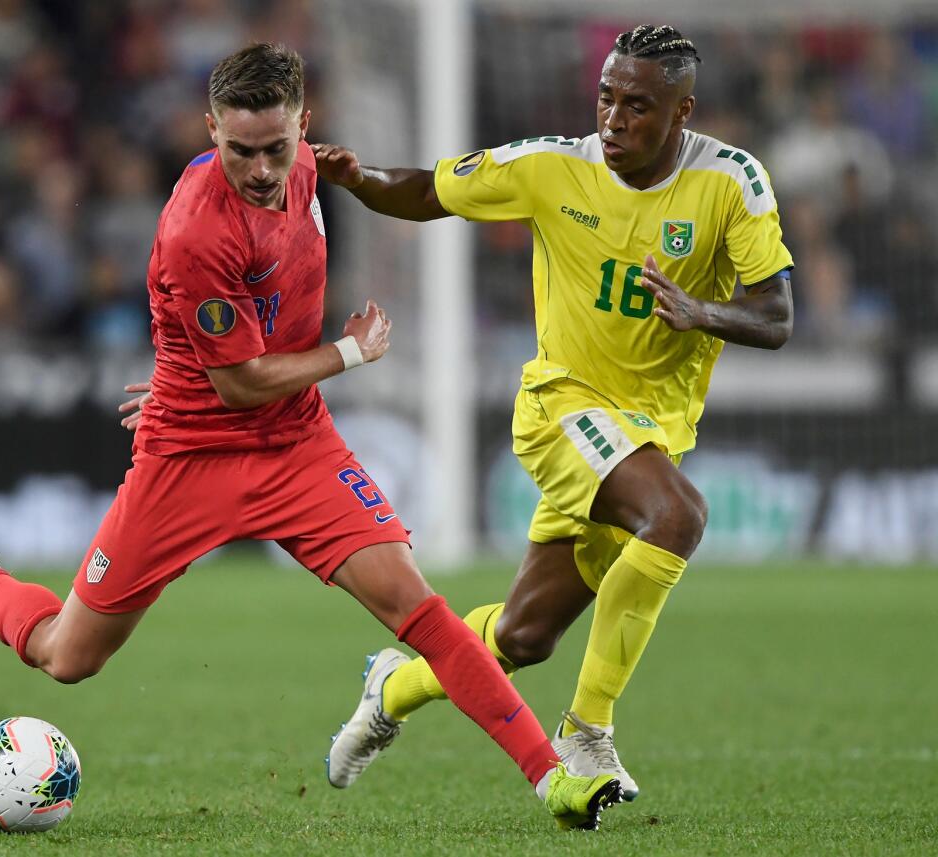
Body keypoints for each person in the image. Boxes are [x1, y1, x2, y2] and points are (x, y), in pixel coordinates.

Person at [0, 43, 623, 832]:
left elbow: (266, 309)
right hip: (190, 455)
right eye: (239, 150)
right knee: (67, 658)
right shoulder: (193, 230)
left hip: (296, 446)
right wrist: (349, 351)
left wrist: (351, 176)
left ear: (302, 126)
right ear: (210, 129)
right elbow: (239, 382)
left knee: (420, 609)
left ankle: (553, 779)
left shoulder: (307, 167)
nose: (260, 169)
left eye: (276, 148)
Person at [313, 24, 794, 801]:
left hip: (651, 432)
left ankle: (392, 689)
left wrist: (700, 311)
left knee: (523, 635)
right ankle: (588, 734)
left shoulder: (732, 182)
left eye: (638, 106)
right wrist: (358, 176)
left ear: (682, 112)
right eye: (606, 97)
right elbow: (431, 189)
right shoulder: (554, 167)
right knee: (678, 518)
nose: (614, 119)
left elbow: (775, 315)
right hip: (562, 407)